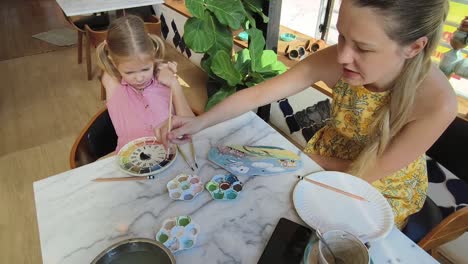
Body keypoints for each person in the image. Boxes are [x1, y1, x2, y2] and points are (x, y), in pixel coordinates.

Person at [157, 0, 458, 229]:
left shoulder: (436, 104)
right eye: (341, 37)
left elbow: (365, 172)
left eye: (363, 48)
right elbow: (260, 93)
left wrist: (290, 160)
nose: (342, 56)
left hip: (378, 182)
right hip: (324, 154)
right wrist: (200, 122)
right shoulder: (339, 60)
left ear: (414, 47)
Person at [96, 15, 193, 152]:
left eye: (146, 69)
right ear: (112, 61)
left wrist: (174, 83)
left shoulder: (165, 80)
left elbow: (190, 126)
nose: (139, 78)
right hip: (131, 161)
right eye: (129, 73)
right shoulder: (111, 82)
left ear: (153, 54)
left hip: (170, 155)